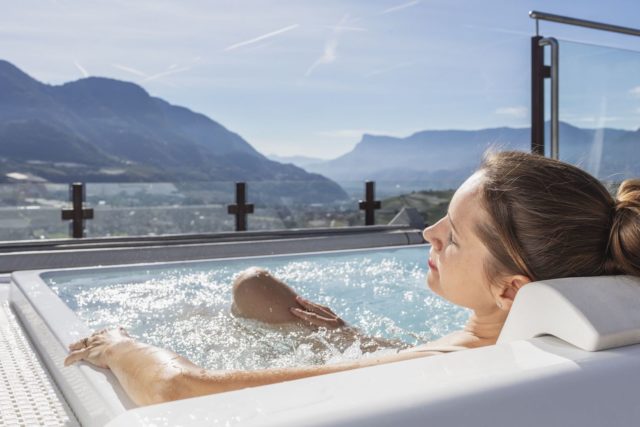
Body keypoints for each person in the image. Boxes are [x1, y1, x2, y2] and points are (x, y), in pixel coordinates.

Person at [64, 151, 640, 406]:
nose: (428, 234)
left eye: (455, 237)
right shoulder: (492, 328)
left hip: (379, 363)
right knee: (253, 286)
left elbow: (177, 393)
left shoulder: (455, 367)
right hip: (376, 349)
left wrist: (122, 346)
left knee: (243, 298)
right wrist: (351, 340)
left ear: (510, 288)